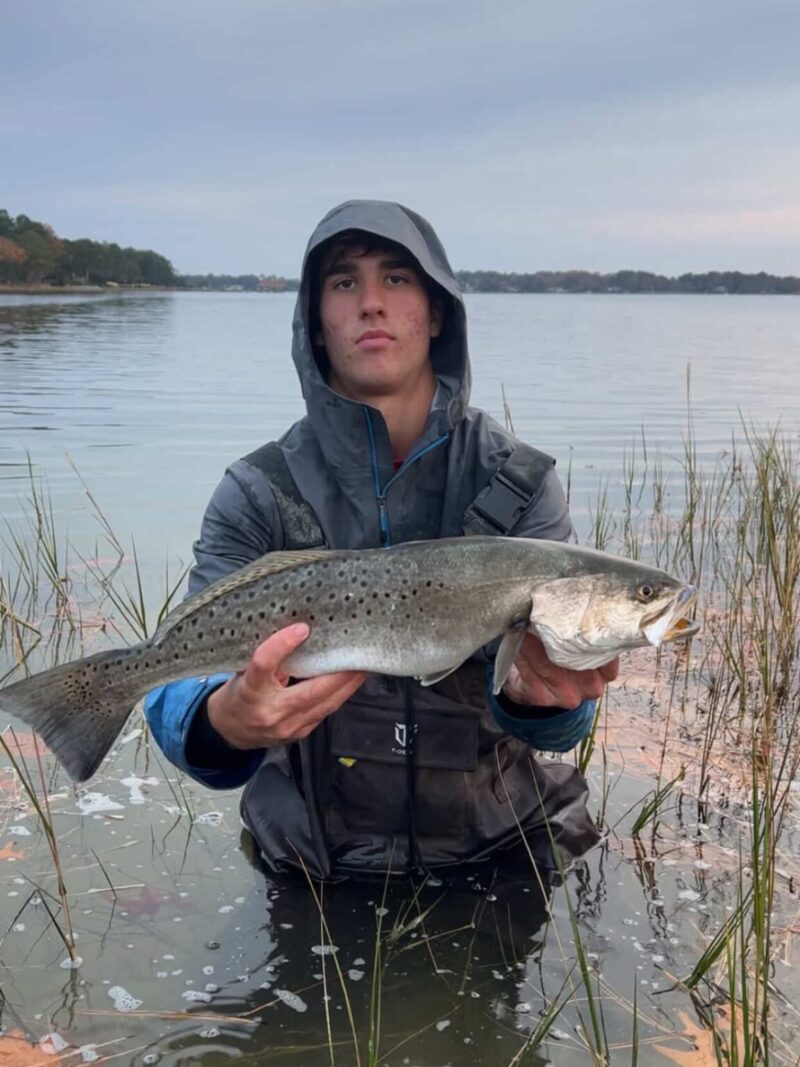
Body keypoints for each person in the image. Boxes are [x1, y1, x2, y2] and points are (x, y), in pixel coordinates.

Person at [145, 200, 619, 881]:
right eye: (345, 282)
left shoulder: (520, 483)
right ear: (315, 321)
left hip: (500, 848)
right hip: (311, 860)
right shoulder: (257, 491)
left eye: (397, 278)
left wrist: (539, 697)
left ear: (436, 311)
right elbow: (176, 682)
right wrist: (224, 718)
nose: (371, 302)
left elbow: (563, 723)